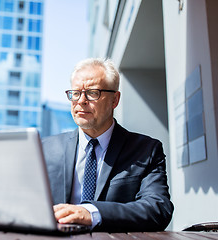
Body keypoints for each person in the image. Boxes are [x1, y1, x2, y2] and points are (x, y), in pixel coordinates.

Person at [42, 58, 174, 232]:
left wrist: (91, 213)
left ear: (115, 100)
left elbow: (157, 209)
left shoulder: (146, 151)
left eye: (92, 93)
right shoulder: (46, 148)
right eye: (75, 93)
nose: (81, 101)